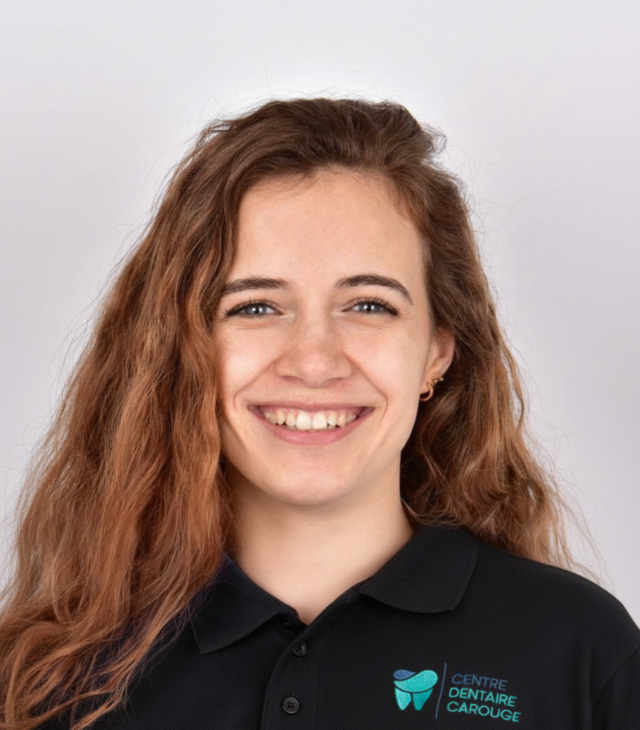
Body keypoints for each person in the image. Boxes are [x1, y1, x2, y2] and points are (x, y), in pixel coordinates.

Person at [0, 97, 638, 730]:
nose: (313, 362)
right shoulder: (50, 676)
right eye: (255, 307)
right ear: (183, 350)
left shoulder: (581, 651)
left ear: (437, 352)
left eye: (369, 305)